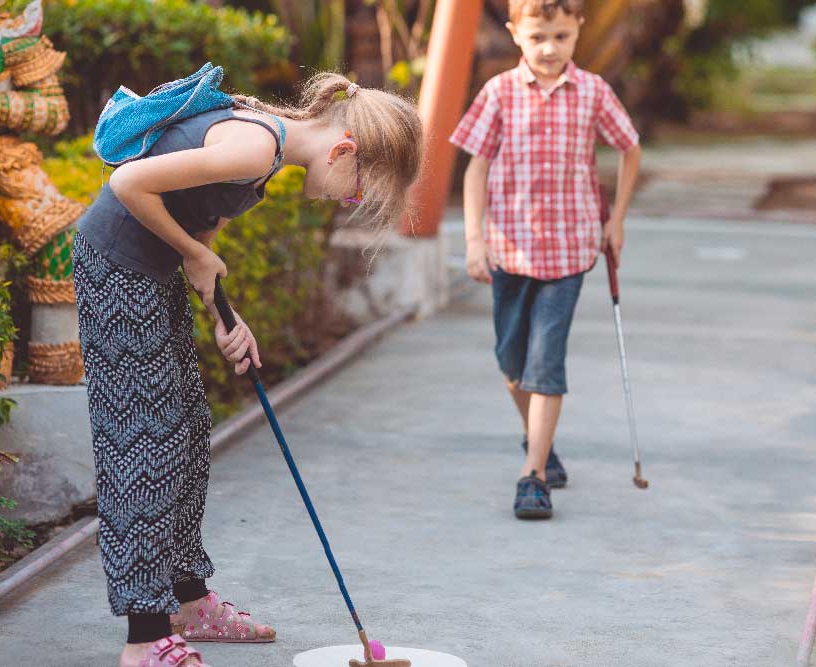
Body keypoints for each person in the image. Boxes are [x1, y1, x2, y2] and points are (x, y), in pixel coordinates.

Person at [72, 73, 423, 667]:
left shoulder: (267, 156)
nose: (347, 202)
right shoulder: (255, 147)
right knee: (145, 444)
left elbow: (198, 216)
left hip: (148, 275)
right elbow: (128, 183)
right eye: (358, 192)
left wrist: (220, 312)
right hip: (116, 273)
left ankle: (186, 601)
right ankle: (144, 636)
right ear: (343, 151)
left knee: (185, 432)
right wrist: (199, 256)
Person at [450, 0, 641, 520]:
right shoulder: (499, 93)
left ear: (577, 28)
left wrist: (616, 217)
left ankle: (532, 476)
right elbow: (475, 168)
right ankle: (541, 441)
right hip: (509, 249)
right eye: (538, 37)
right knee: (511, 362)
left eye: (560, 35)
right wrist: (473, 239)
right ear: (516, 34)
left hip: (571, 249)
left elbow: (630, 147)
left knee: (545, 362)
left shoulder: (594, 91)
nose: (549, 48)